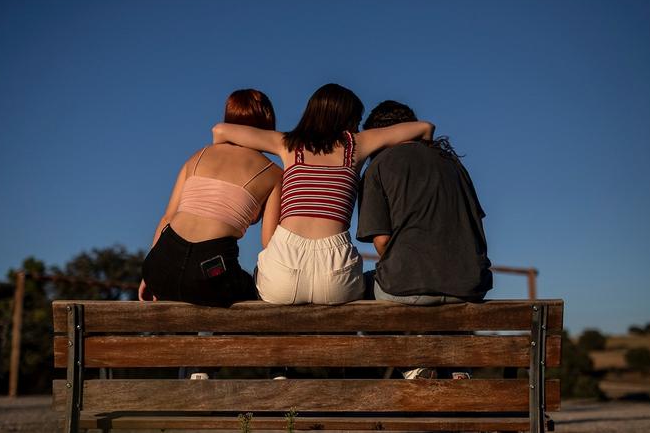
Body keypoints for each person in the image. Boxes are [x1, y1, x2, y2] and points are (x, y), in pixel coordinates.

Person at [212, 83, 434, 305]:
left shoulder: (288, 144)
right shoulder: (357, 145)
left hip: (283, 270)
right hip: (336, 274)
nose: (355, 129)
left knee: (259, 274)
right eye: (355, 121)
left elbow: (220, 131)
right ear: (345, 118)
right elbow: (425, 127)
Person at [356, 100, 492, 379]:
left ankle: (411, 363)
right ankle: (457, 366)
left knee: (359, 289)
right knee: (431, 289)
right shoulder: (452, 163)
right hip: (469, 285)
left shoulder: (378, 167)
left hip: (408, 286)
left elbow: (382, 242)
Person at [138, 89, 283, 308]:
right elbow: (269, 243)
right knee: (252, 294)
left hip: (161, 263)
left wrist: (150, 275)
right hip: (212, 270)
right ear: (268, 122)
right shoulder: (273, 173)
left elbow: (167, 218)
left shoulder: (197, 156)